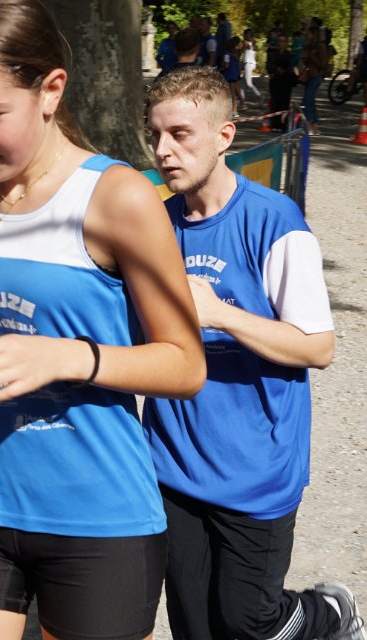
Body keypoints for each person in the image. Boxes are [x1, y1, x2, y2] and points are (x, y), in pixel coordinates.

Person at [0, 1, 206, 638]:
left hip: (98, 517)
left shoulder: (117, 197)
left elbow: (185, 364)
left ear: (51, 90)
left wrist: (66, 355)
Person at [145, 65, 365, 640]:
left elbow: (318, 347)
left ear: (225, 136)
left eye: (180, 134)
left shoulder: (273, 220)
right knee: (195, 626)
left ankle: (331, 613)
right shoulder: (153, 225)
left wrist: (218, 313)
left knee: (249, 623)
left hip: (255, 469)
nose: (164, 150)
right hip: (172, 463)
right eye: (156, 135)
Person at [301, 24, 328, 135]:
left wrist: (312, 57)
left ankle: (310, 124)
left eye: (309, 33)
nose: (307, 35)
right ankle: (314, 125)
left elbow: (323, 64)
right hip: (310, 76)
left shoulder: (321, 46)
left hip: (316, 77)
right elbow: (307, 62)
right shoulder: (310, 46)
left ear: (314, 34)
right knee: (309, 101)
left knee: (307, 100)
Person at [221, 36, 242, 117]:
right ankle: (235, 110)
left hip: (229, 75)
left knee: (231, 94)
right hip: (234, 75)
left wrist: (222, 65)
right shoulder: (235, 54)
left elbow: (226, 65)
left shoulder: (227, 54)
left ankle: (234, 111)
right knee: (234, 93)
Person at [241, 30, 263, 105]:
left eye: (246, 34)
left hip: (248, 63)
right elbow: (253, 55)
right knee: (243, 84)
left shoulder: (246, 42)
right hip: (251, 63)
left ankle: (260, 96)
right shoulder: (253, 43)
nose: (245, 36)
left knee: (249, 83)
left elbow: (241, 51)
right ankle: (242, 101)